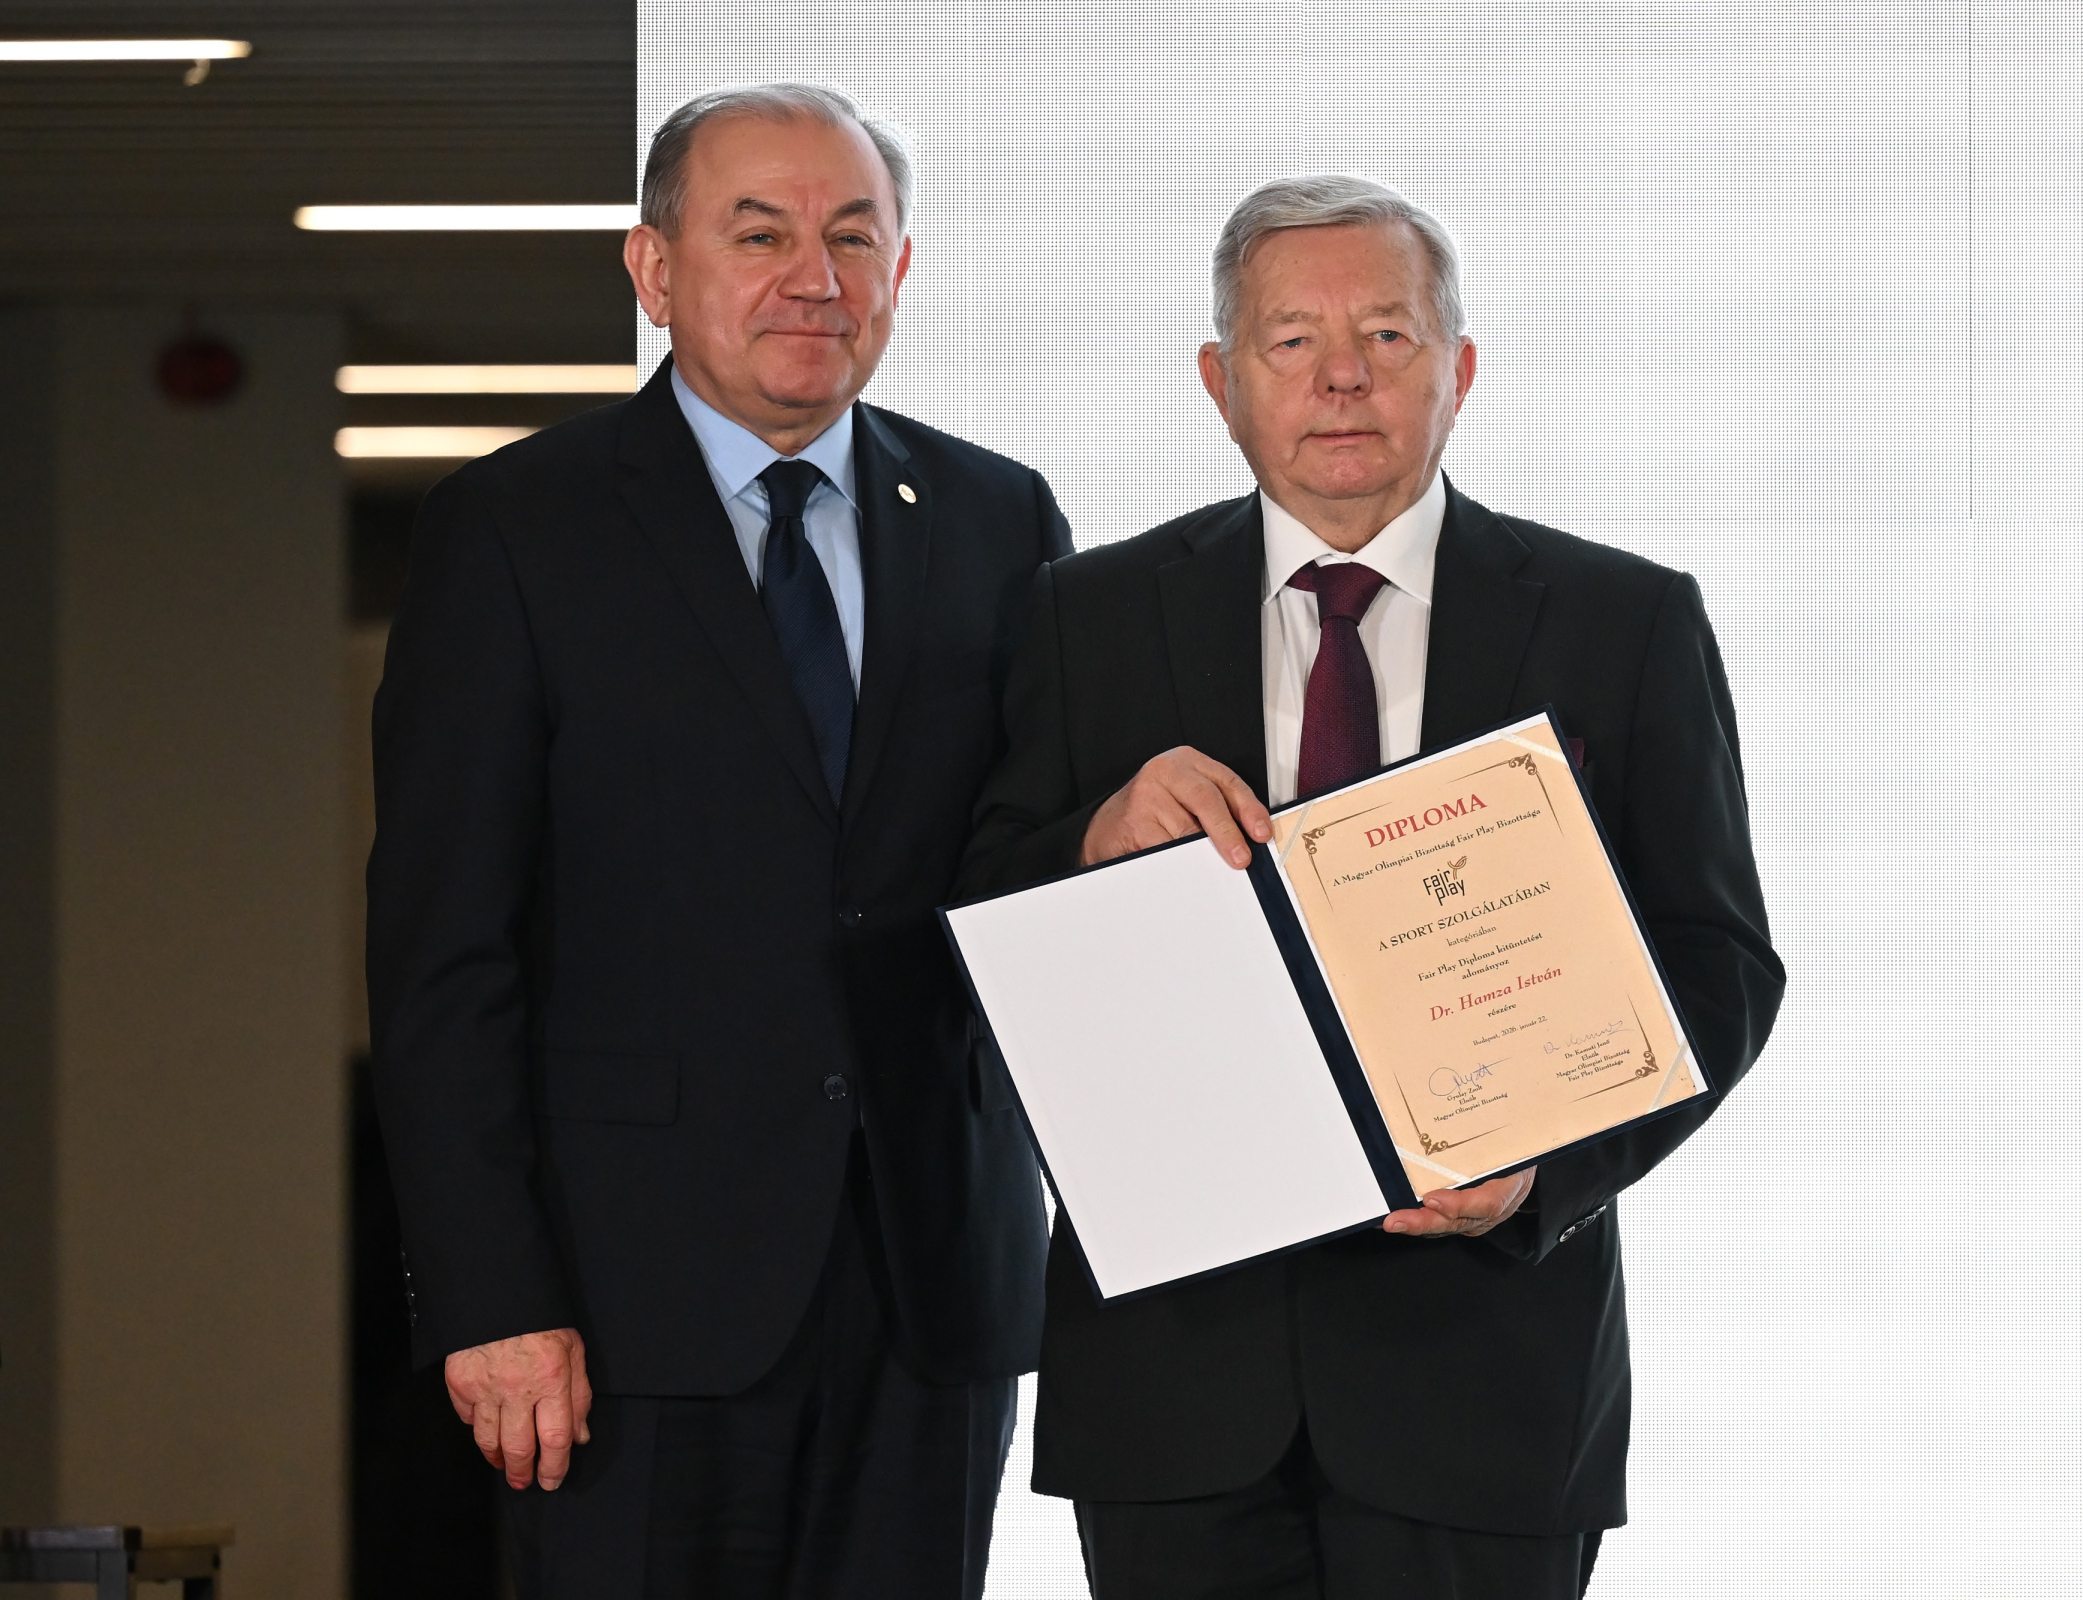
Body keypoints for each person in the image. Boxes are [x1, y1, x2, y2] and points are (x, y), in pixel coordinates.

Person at [960, 174, 1785, 1600]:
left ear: (1458, 371)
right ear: (1221, 383)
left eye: (1388, 337)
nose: (1341, 377)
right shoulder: (1083, 612)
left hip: (1487, 1384)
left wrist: (1547, 1173)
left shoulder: (1623, 620)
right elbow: (971, 917)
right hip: (1171, 1389)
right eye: (1291, 341)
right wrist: (1092, 840)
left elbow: (1718, 961)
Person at [367, 83, 1066, 1600]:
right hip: (625, 1306)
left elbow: (1027, 867)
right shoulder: (516, 529)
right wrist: (490, 1295)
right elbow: (444, 954)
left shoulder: (998, 520)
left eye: (853, 237)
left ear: (900, 271)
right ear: (654, 267)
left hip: (927, 1300)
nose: (814, 277)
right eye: (759, 235)